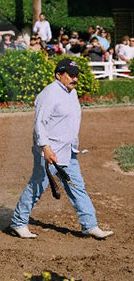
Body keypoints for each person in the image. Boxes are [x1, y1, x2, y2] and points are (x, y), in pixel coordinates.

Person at [10, 59, 113, 240]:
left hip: (68, 150)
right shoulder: (49, 94)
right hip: (50, 151)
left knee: (77, 187)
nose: (75, 79)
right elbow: (39, 124)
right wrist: (46, 148)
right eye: (70, 75)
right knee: (37, 186)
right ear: (59, 75)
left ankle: (90, 225)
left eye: (76, 75)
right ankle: (18, 222)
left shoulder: (70, 92)